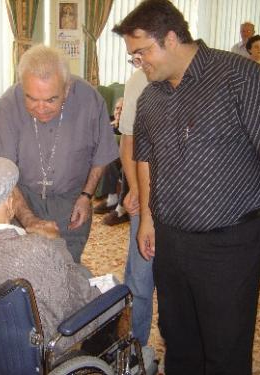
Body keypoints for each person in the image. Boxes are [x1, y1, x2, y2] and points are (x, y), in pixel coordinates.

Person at [112, 1, 260, 374]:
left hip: (229, 241)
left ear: (171, 37)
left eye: (142, 52)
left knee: (224, 344)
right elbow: (146, 159)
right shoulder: (152, 96)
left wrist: (251, 185)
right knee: (179, 338)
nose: (139, 63)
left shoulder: (239, 77)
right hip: (171, 239)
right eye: (133, 57)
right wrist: (148, 220)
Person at [0, 157, 102, 353]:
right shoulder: (37, 251)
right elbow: (72, 301)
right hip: (40, 352)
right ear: (10, 204)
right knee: (103, 289)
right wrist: (57, 244)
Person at [0, 44, 119, 263]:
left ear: (67, 88)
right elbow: (4, 173)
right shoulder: (8, 105)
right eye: (31, 98)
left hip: (72, 201)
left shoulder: (89, 100)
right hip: (22, 197)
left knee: (66, 267)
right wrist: (28, 219)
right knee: (23, 267)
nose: (41, 108)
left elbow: (101, 153)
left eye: (51, 99)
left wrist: (87, 196)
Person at [112, 68, 153, 345]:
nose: (140, 61)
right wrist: (135, 188)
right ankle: (136, 348)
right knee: (139, 281)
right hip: (145, 201)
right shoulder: (138, 80)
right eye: (135, 57)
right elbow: (128, 141)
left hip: (184, 206)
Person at [94, 98, 124, 214]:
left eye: (122, 109)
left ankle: (112, 198)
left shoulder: (130, 126)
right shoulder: (108, 123)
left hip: (122, 158)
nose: (119, 111)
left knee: (109, 158)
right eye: (117, 108)